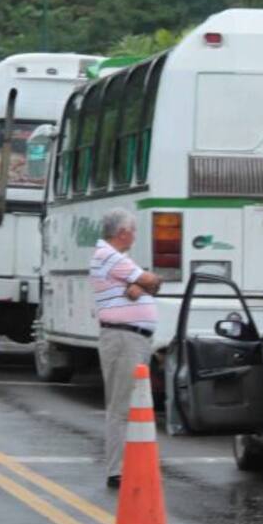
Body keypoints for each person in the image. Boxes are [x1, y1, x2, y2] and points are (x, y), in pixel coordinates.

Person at [90, 208, 161, 490]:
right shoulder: (109, 256)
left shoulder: (116, 258)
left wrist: (139, 286)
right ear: (122, 232)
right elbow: (152, 281)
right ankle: (116, 470)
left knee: (133, 405)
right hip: (123, 338)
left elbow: (150, 284)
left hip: (132, 338)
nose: (134, 235)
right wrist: (142, 283)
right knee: (121, 406)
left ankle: (126, 465)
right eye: (132, 230)